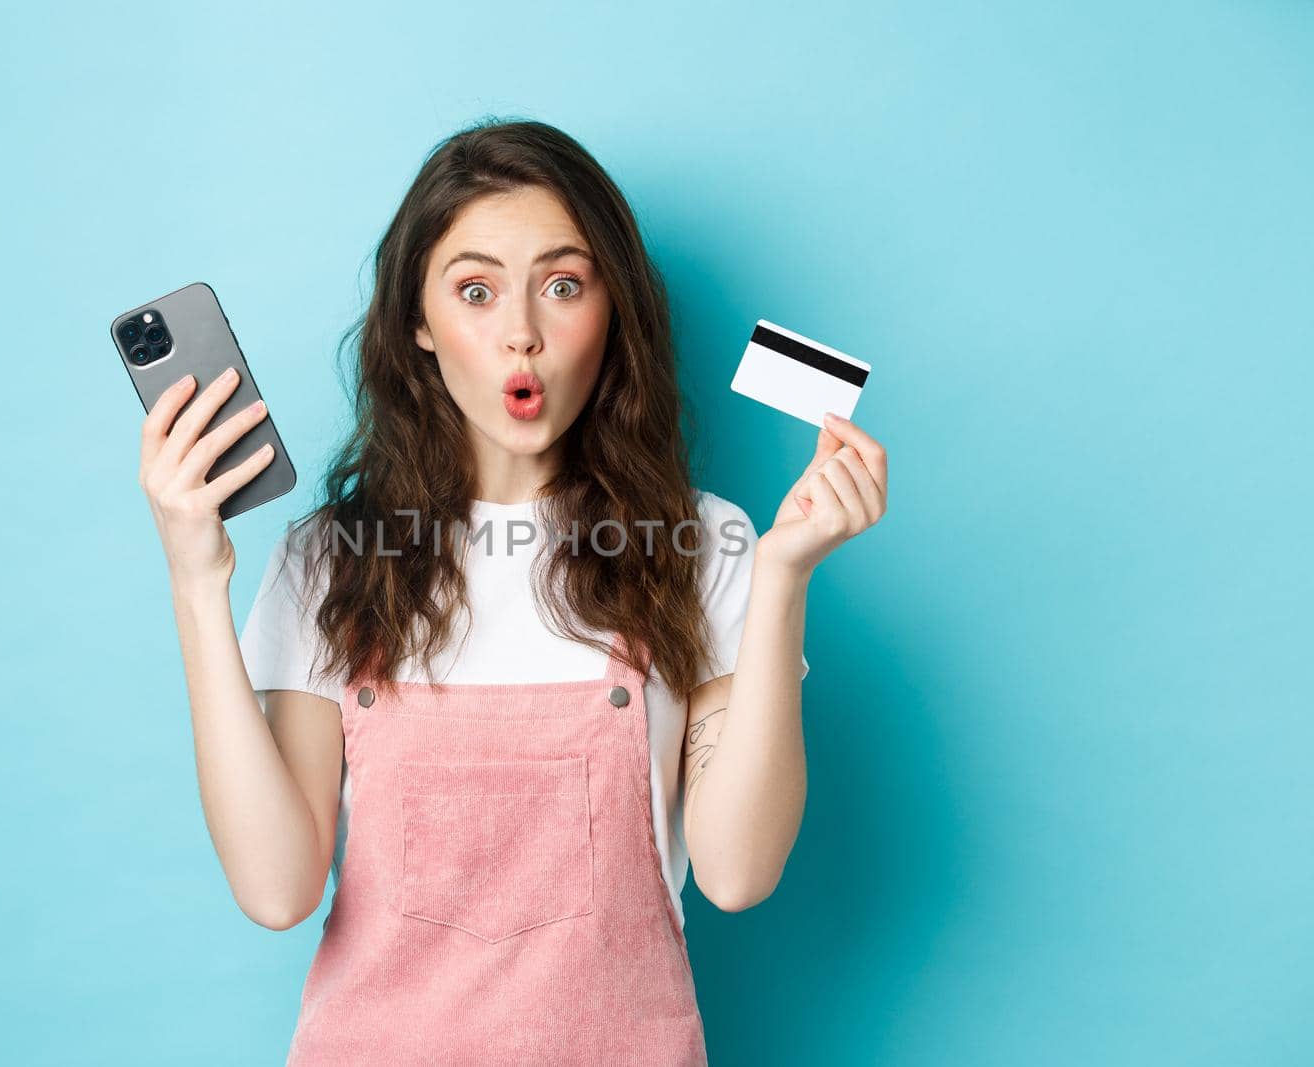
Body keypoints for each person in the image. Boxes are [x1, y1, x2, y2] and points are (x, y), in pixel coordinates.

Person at [138, 118, 888, 1065]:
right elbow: (276, 887)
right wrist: (194, 581)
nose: (522, 333)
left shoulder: (711, 545)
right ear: (419, 322)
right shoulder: (329, 559)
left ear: (614, 312)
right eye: (477, 290)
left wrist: (783, 578)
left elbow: (738, 871)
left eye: (563, 285)